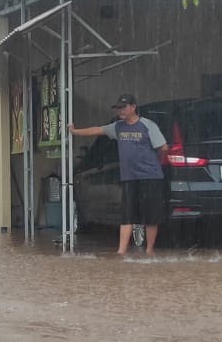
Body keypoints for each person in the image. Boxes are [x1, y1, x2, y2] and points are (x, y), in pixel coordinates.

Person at [68, 93, 169, 255]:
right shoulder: (117, 126)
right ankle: (121, 252)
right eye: (118, 108)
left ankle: (149, 251)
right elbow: (96, 130)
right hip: (129, 177)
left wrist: (154, 163)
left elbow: (163, 148)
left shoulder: (147, 125)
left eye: (123, 107)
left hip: (151, 177)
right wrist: (74, 132)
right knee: (127, 214)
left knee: (151, 216)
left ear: (133, 107)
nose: (120, 111)